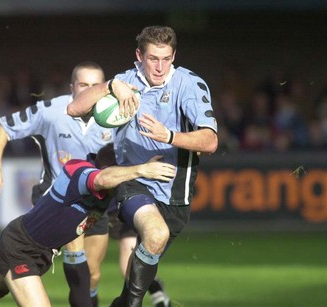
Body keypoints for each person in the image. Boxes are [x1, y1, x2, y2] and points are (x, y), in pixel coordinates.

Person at [67, 25, 218, 306]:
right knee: (155, 234)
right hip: (132, 180)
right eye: (152, 58)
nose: (160, 67)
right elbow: (74, 108)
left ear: (174, 57)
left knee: (153, 248)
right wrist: (110, 85)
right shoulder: (125, 81)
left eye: (166, 59)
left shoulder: (189, 85)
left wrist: (169, 136)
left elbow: (210, 142)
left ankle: (123, 303)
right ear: (139, 55)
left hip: (174, 190)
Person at [0, 143, 176, 307]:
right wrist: (140, 169)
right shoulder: (79, 170)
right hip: (19, 247)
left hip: (42, 253)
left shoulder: (108, 193)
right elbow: (101, 179)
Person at [0, 61, 114, 307]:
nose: (89, 90)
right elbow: (2, 126)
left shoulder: (117, 116)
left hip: (96, 203)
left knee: (93, 273)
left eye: (96, 85)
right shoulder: (51, 111)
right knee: (77, 259)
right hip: (57, 199)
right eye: (83, 84)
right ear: (71, 87)